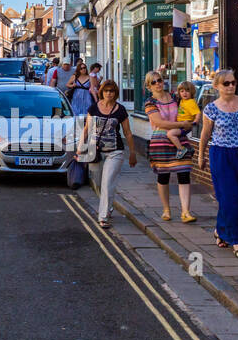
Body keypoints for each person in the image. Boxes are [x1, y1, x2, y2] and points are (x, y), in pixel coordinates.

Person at [197, 71, 238, 259]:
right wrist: (201, 156)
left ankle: (220, 229)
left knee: (229, 199)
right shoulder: (211, 109)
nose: (231, 86)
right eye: (226, 83)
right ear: (217, 86)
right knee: (232, 199)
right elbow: (205, 134)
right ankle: (237, 241)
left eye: (233, 82)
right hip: (221, 155)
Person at [77, 79, 136, 227]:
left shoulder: (121, 110)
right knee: (97, 183)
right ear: (101, 92)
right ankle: (108, 206)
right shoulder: (93, 108)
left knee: (107, 182)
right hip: (95, 151)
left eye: (112, 91)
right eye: (106, 91)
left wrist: (133, 153)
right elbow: (86, 129)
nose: (109, 93)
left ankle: (103, 217)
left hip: (115, 152)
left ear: (115, 93)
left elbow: (128, 133)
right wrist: (79, 148)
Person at [144, 69, 195, 223]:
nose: (158, 83)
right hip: (160, 140)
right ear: (149, 86)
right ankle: (166, 210)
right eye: (153, 82)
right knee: (163, 176)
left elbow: (186, 111)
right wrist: (181, 124)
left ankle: (185, 212)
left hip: (179, 137)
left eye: (159, 80)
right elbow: (160, 122)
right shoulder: (150, 103)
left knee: (184, 173)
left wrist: (190, 123)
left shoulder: (174, 97)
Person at [165, 80, 201, 157]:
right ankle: (188, 147)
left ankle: (181, 149)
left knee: (170, 134)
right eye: (182, 91)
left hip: (186, 124)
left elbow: (197, 113)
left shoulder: (191, 102)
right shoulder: (182, 100)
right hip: (180, 123)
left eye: (187, 91)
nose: (184, 93)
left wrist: (196, 121)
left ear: (192, 92)